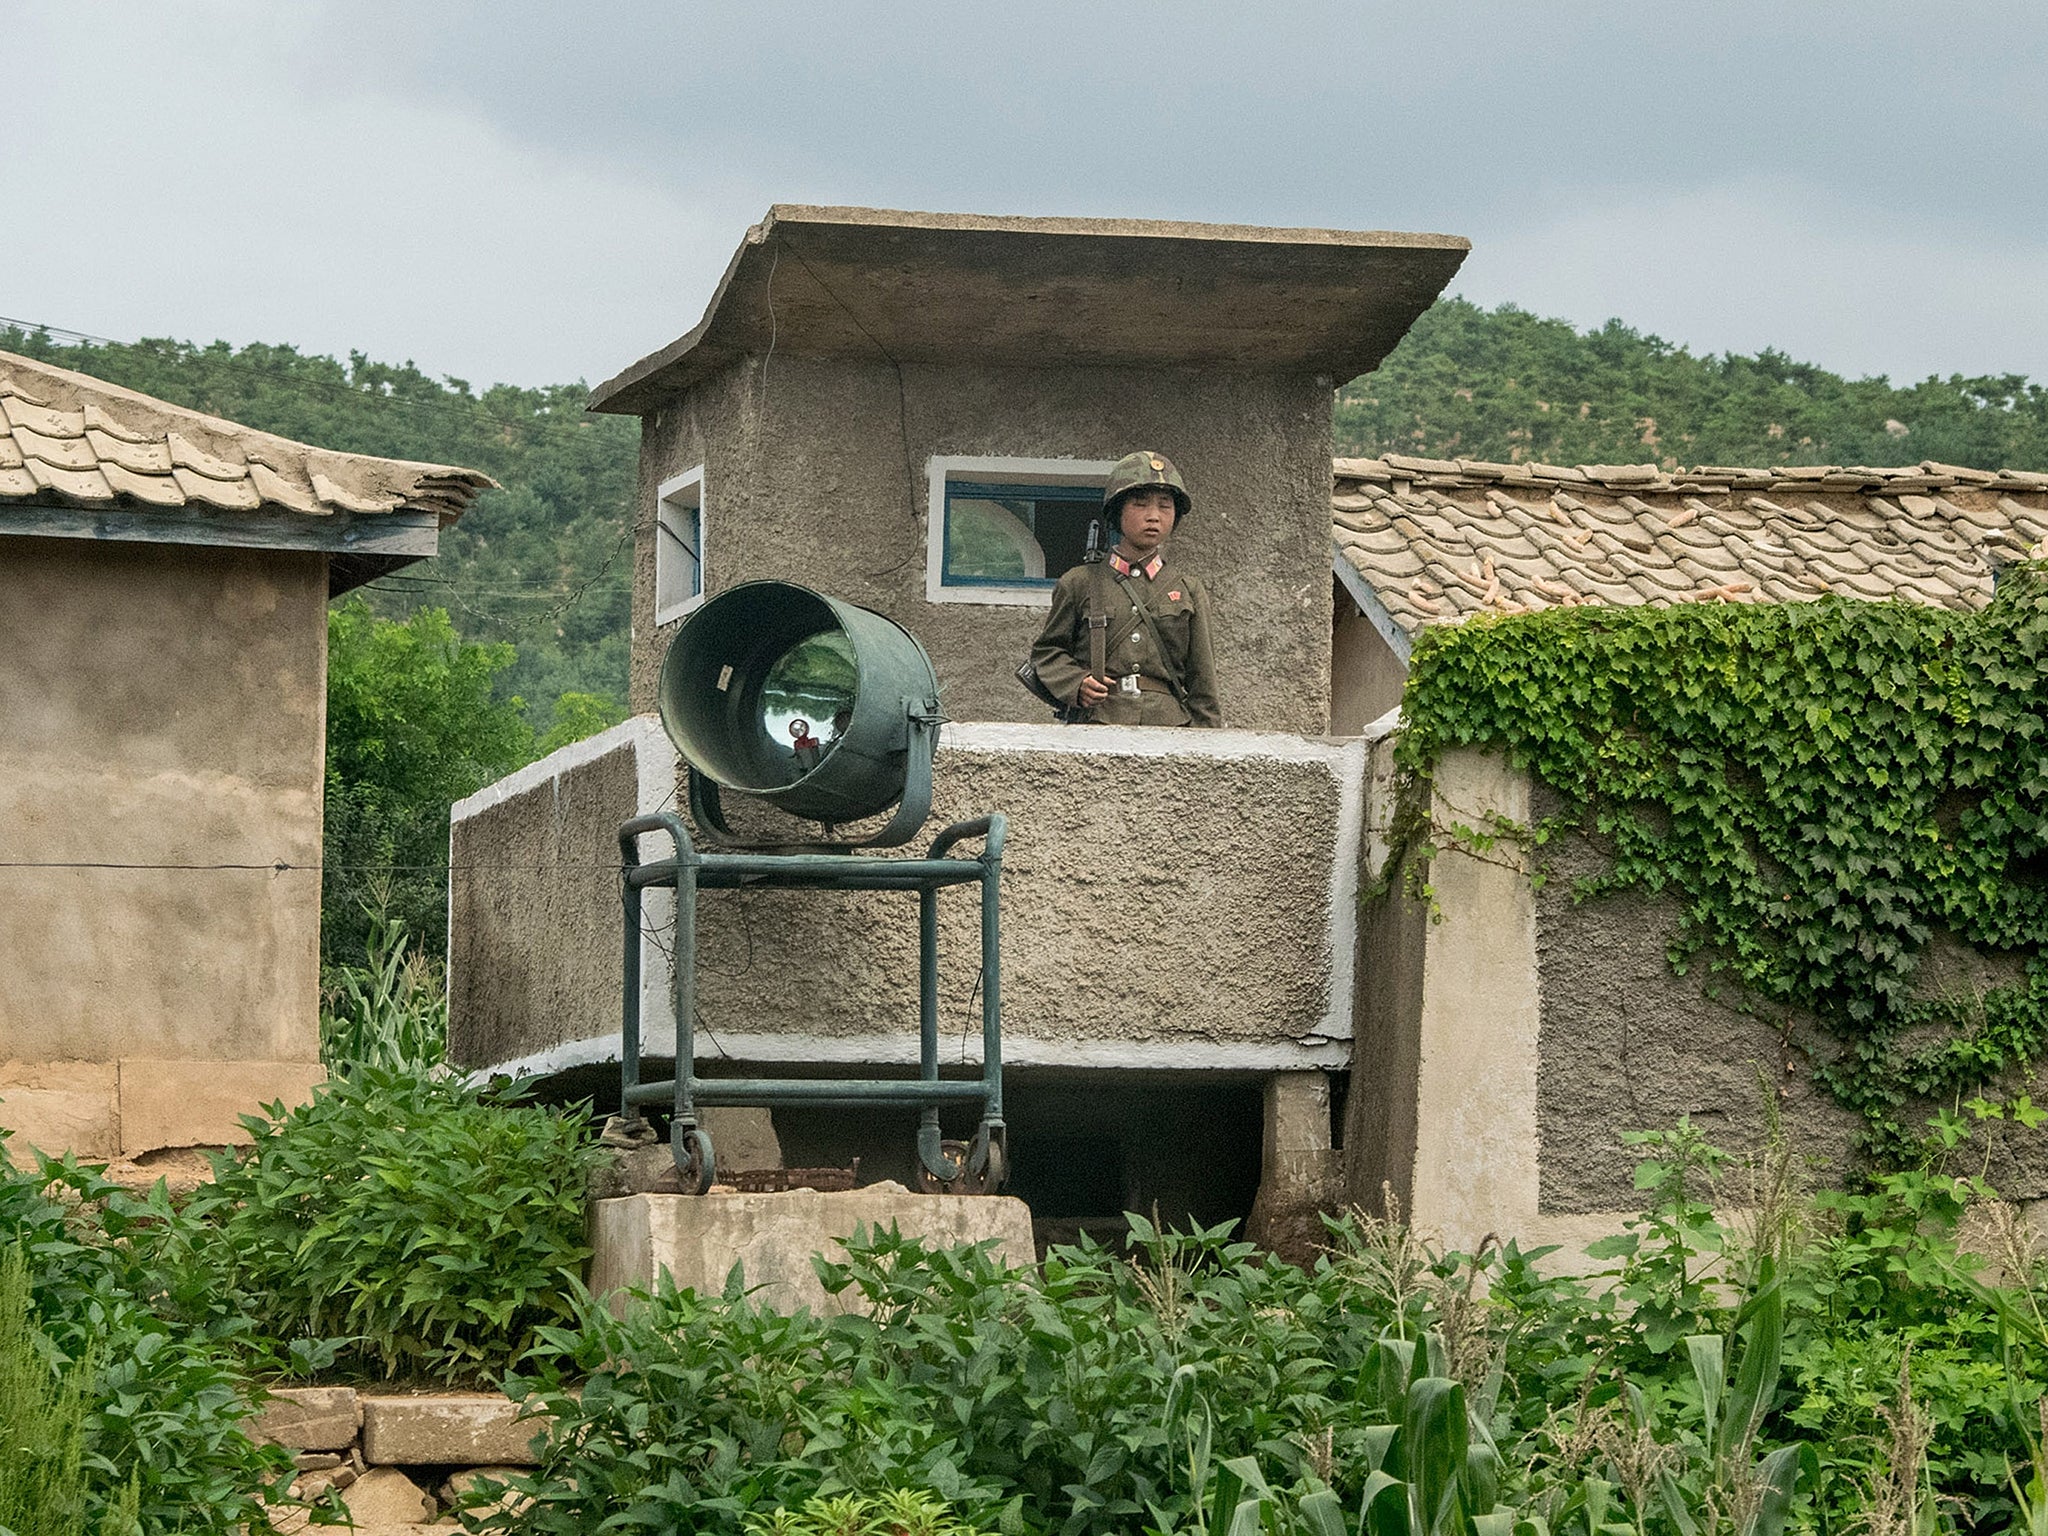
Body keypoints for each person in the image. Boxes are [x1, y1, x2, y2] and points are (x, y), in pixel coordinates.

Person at [1028, 450, 1221, 727]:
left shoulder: (1188, 589)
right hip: (1098, 721)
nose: (1153, 516)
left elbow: (1203, 681)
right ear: (1118, 511)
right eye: (1140, 504)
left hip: (1168, 729)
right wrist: (1076, 683)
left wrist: (1209, 746)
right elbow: (1047, 652)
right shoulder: (1079, 582)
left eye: (1164, 506)